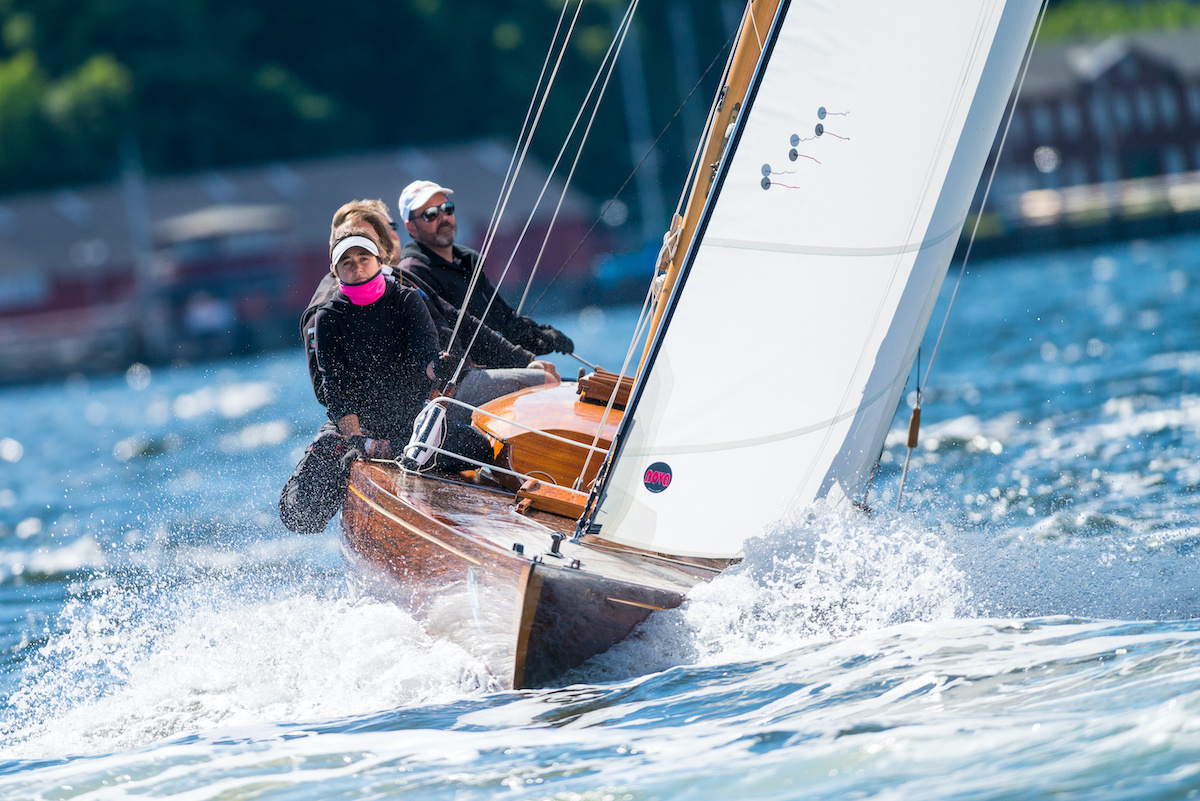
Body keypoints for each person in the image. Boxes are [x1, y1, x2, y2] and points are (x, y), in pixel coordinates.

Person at [279, 231, 495, 534]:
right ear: (335, 270)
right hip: (354, 431)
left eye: (363, 259)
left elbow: (427, 357)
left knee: (479, 448)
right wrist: (356, 442)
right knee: (299, 515)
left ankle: (388, 449)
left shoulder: (405, 299)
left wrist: (439, 365)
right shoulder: (327, 318)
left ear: (379, 261)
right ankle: (372, 450)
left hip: (409, 427)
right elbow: (336, 390)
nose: (356, 267)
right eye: (347, 262)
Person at [300, 199, 560, 421]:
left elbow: (460, 322)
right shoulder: (327, 311)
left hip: (456, 379)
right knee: (543, 385)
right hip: (424, 403)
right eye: (370, 234)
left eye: (389, 227)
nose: (388, 235)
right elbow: (330, 390)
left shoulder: (400, 281)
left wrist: (524, 359)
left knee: (546, 377)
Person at [396, 180, 575, 357]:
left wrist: (544, 337)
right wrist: (520, 359)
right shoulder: (412, 272)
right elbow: (454, 337)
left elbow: (505, 321)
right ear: (411, 227)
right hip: (469, 378)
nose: (443, 218)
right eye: (431, 214)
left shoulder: (467, 262)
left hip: (505, 365)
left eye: (447, 209)